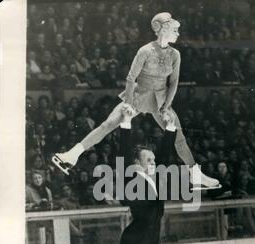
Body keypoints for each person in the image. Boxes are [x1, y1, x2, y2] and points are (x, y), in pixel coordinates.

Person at [52, 12, 220, 189]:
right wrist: (128, 104)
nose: (178, 33)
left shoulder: (175, 54)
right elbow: (131, 79)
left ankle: (196, 175)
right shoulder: (145, 51)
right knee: (107, 125)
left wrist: (166, 106)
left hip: (162, 98)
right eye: (175, 30)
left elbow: (174, 82)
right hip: (139, 94)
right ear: (164, 29)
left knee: (179, 137)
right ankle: (71, 155)